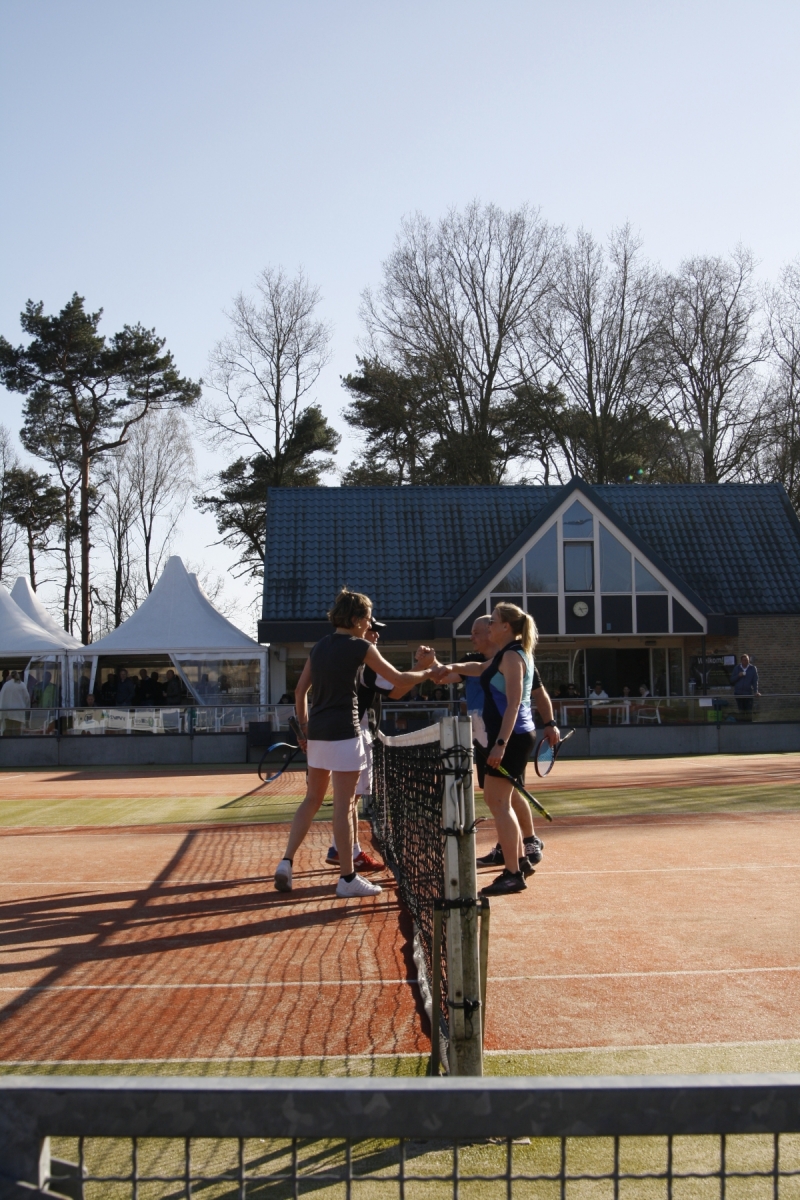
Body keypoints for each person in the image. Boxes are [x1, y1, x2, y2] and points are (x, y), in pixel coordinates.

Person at [274, 588, 437, 900]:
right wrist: (429, 670)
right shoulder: (361, 646)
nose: (370, 624)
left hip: (318, 733)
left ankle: (286, 862)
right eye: (367, 618)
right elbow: (399, 680)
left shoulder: (319, 646)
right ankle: (347, 878)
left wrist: (303, 731)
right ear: (355, 618)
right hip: (345, 733)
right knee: (345, 805)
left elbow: (300, 691)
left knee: (312, 799)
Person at [437, 603, 553, 896]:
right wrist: (449, 667)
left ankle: (513, 874)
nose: (489, 626)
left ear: (506, 627)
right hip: (506, 736)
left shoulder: (513, 656)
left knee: (499, 802)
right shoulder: (505, 654)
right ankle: (519, 862)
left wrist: (500, 744)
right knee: (499, 800)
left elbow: (514, 704)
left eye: (493, 622)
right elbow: (478, 668)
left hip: (511, 737)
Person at [325, 623, 435, 872]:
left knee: (348, 799)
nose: (376, 634)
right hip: (357, 734)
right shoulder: (365, 663)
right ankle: (346, 851)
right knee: (349, 800)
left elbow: (394, 690)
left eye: (376, 630)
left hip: (344, 733)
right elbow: (397, 688)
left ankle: (342, 848)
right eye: (371, 629)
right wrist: (424, 668)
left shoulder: (344, 657)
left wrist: (421, 667)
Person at [731, 653, 759, 720]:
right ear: (741, 661)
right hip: (738, 693)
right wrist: (738, 676)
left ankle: (749, 724)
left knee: (749, 711)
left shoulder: (752, 668)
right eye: (744, 660)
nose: (746, 661)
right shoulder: (737, 668)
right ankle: (742, 724)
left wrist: (756, 691)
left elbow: (755, 681)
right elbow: (732, 680)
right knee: (741, 711)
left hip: (748, 693)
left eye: (747, 660)